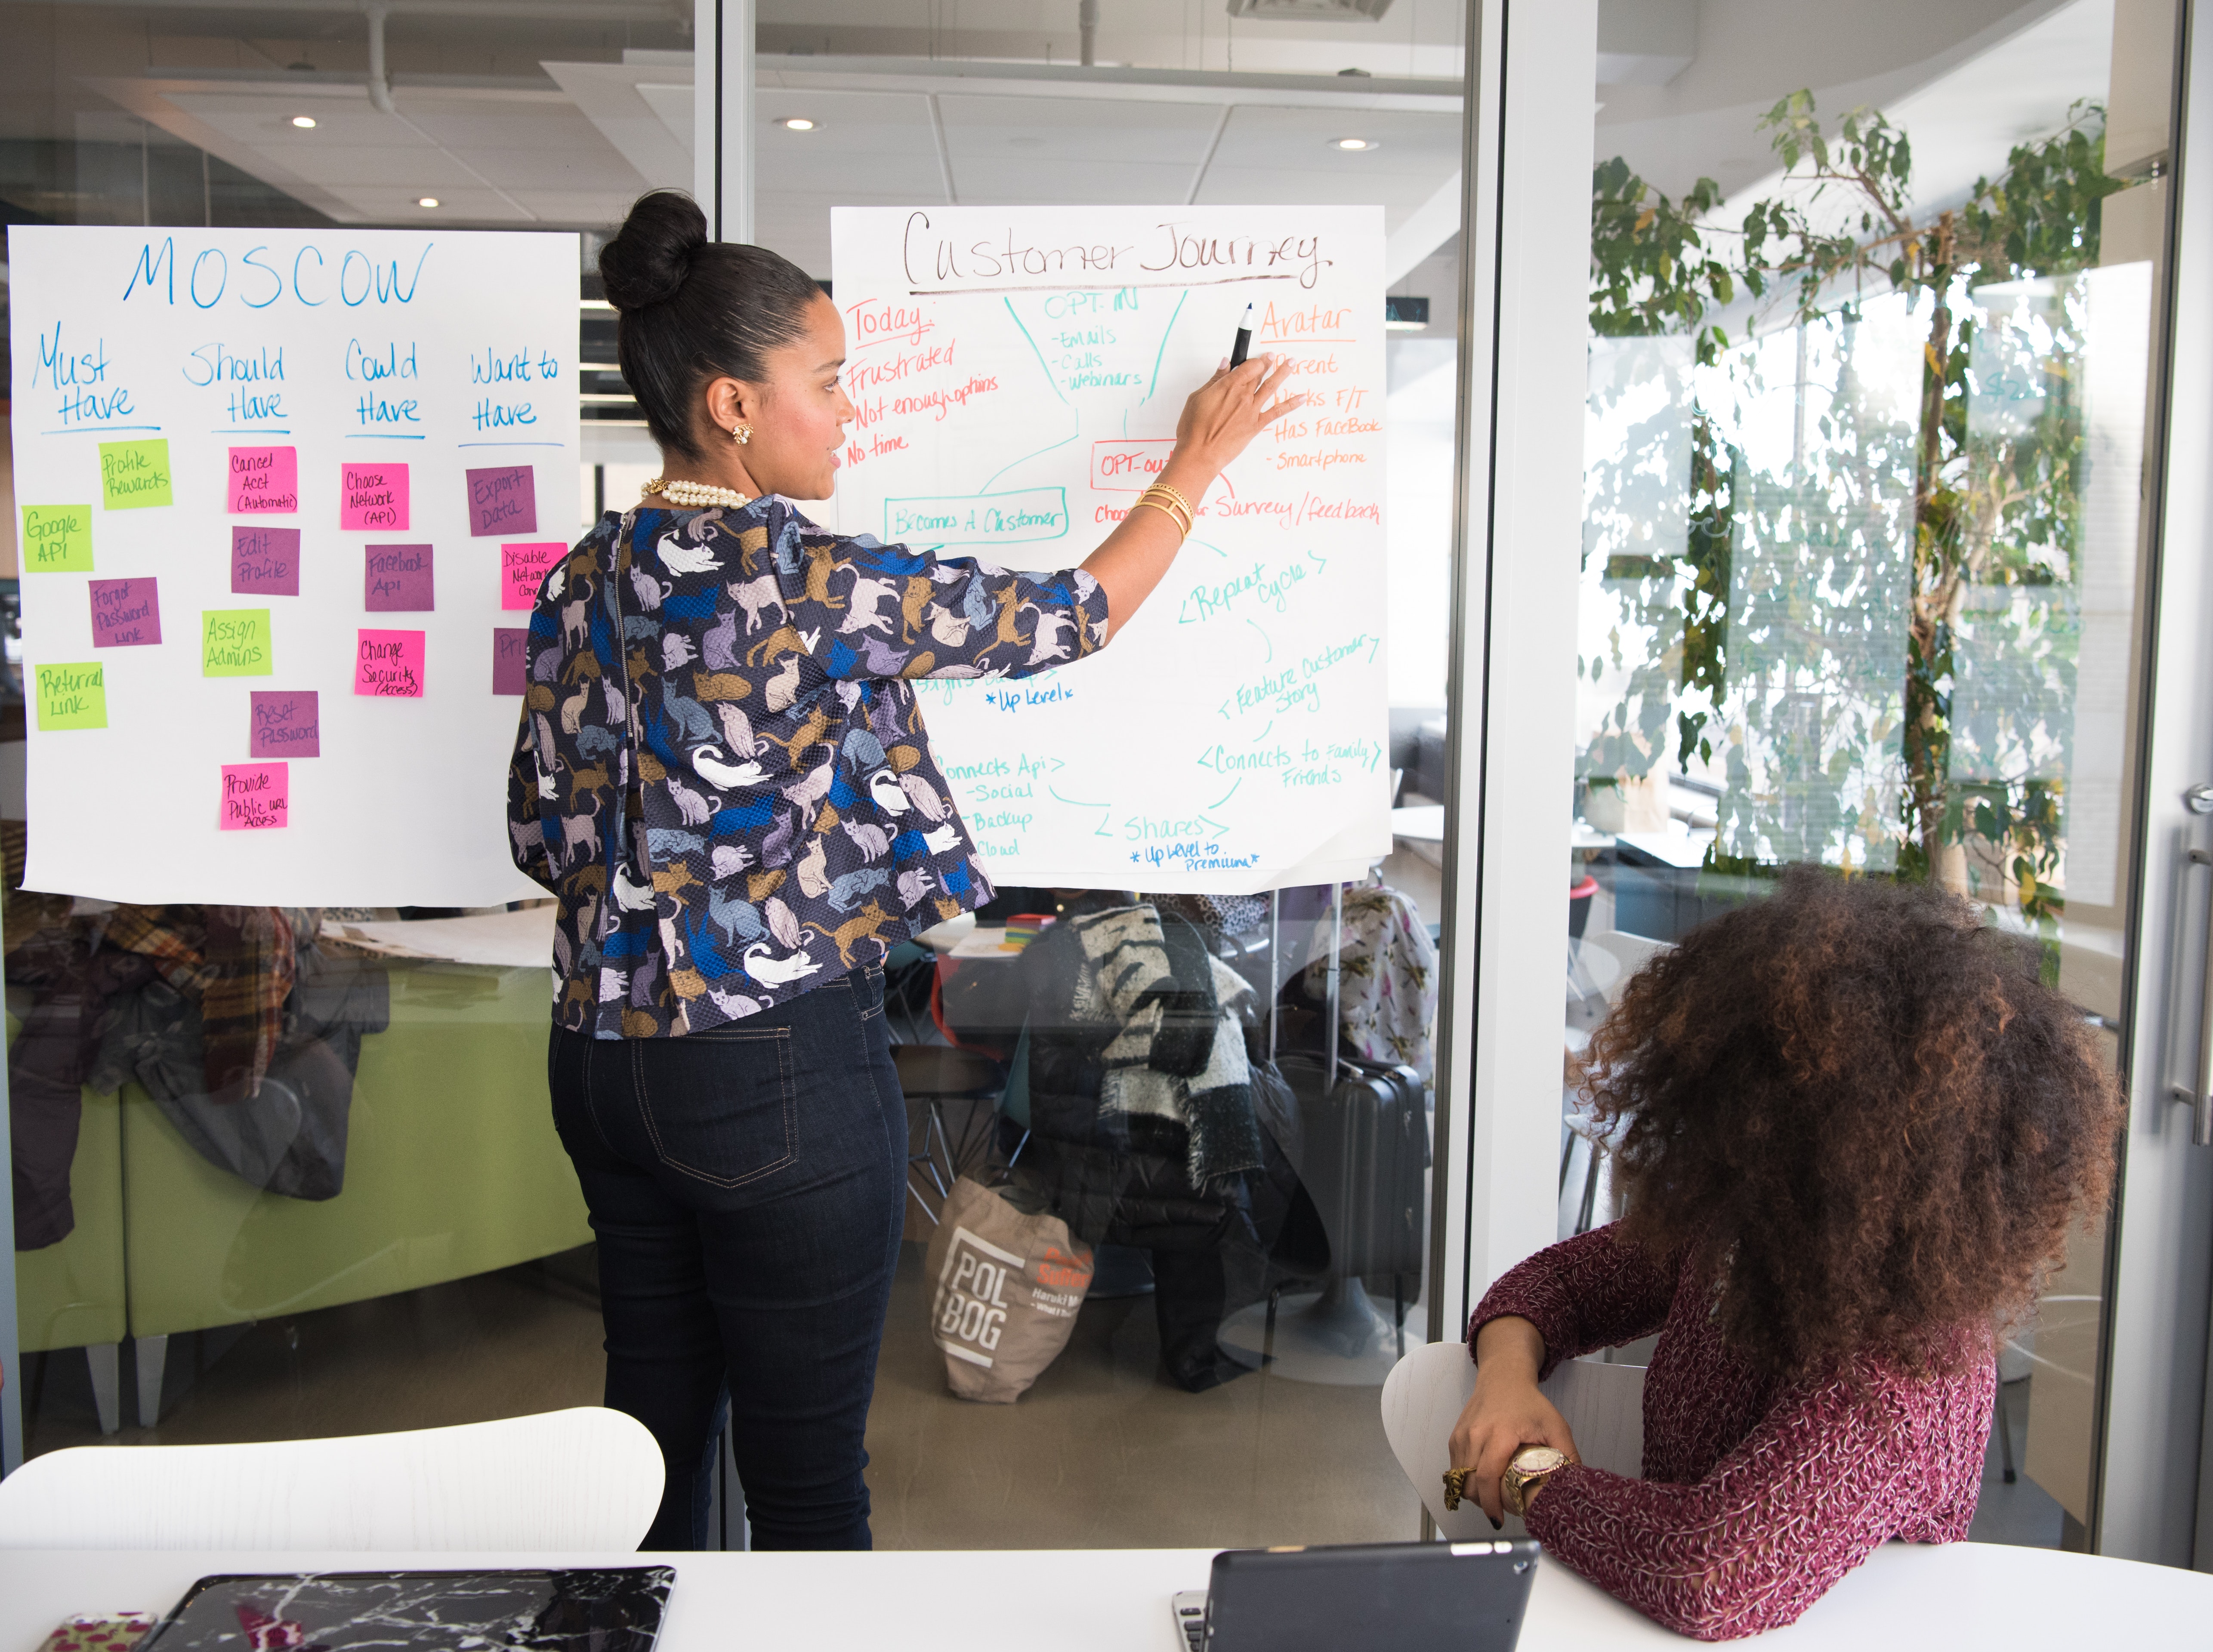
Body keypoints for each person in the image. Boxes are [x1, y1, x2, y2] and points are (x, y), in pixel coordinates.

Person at [507, 189, 1300, 1550]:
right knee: (810, 1482)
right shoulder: (800, 577)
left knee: (650, 1450)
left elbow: (535, 830)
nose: (850, 412)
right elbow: (1071, 616)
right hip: (770, 1077)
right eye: (828, 383)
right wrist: (1197, 464)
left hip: (599, 1062)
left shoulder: (580, 579)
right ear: (733, 406)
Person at [1446, 870, 2119, 1639]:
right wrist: (1504, 1385)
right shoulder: (1749, 1233)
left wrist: (1532, 1477)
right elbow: (1555, 1283)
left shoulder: (1908, 1373)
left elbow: (1706, 1572)